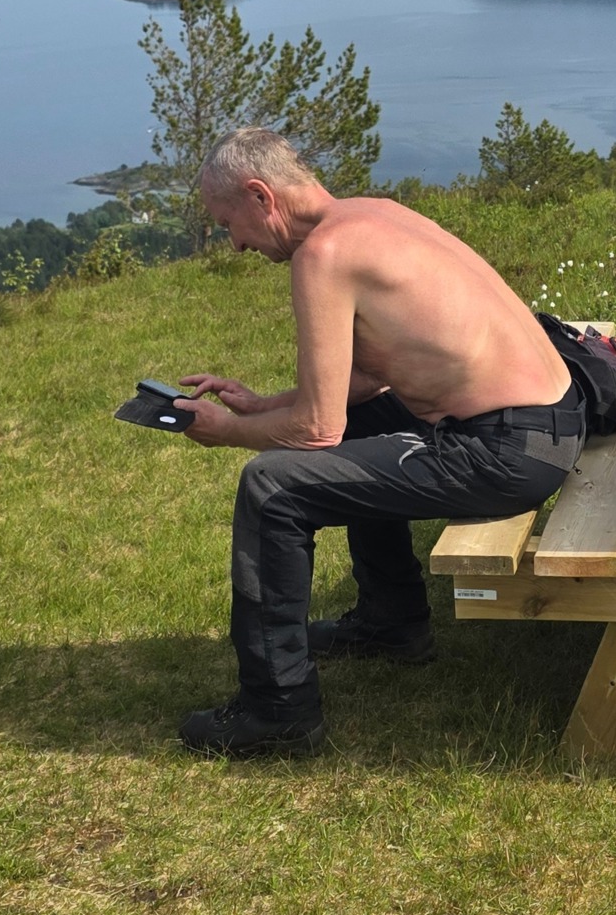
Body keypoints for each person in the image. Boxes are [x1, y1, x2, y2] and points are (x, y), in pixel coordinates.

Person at [172, 126, 584, 759]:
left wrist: (229, 433)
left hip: (509, 450)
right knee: (363, 430)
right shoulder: (373, 215)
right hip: (552, 422)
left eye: (230, 223)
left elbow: (316, 430)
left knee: (272, 487)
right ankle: (391, 621)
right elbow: (363, 381)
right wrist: (261, 405)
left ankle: (276, 710)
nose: (234, 244)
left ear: (261, 196)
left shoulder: (324, 255)